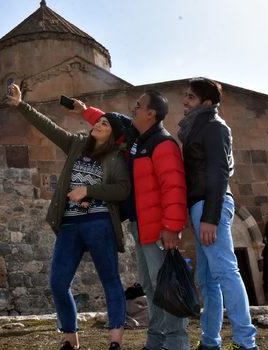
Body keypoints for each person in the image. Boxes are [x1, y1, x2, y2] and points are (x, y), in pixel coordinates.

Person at [7, 83, 130, 350]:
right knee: (58, 282)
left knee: (110, 280)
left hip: (100, 223)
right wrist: (21, 105)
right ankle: (70, 338)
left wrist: (89, 189)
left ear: (113, 135)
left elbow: (122, 189)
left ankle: (115, 341)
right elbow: (49, 128)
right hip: (70, 225)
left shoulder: (117, 156)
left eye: (105, 124)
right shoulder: (76, 143)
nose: (98, 124)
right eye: (99, 121)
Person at [74, 91, 190, 350]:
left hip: (159, 229)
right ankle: (156, 341)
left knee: (166, 287)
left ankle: (176, 343)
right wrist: (84, 110)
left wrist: (172, 227)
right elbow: (115, 121)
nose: (134, 109)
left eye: (139, 106)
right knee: (150, 287)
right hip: (141, 225)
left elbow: (173, 187)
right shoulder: (140, 139)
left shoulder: (162, 143)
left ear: (151, 114)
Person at [178, 78, 257, 350]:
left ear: (207, 103)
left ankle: (246, 342)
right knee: (207, 278)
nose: (184, 101)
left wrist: (210, 217)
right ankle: (210, 341)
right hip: (200, 205)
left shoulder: (213, 127)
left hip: (211, 205)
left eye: (190, 97)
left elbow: (219, 172)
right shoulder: (196, 127)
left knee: (225, 271)